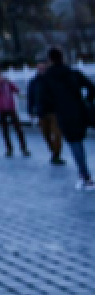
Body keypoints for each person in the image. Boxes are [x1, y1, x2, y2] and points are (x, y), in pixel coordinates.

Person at [38, 47, 95, 190]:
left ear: (50, 60)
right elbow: (91, 87)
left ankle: (85, 176)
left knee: (75, 144)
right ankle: (85, 175)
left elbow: (44, 99)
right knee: (80, 142)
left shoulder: (47, 78)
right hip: (79, 111)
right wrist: (86, 101)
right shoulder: (73, 73)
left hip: (63, 113)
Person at [27, 61, 65, 165]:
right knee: (46, 135)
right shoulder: (34, 82)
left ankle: (57, 155)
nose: (41, 69)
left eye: (43, 67)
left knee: (57, 134)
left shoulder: (53, 80)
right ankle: (54, 152)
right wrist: (30, 110)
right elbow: (30, 97)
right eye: (40, 67)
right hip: (41, 112)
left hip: (54, 111)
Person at [0, 71, 29, 158]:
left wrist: (10, 83)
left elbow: (16, 90)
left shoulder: (8, 83)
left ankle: (24, 148)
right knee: (5, 129)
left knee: (18, 128)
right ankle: (9, 149)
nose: (1, 77)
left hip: (11, 108)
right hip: (1, 109)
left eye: (2, 75)